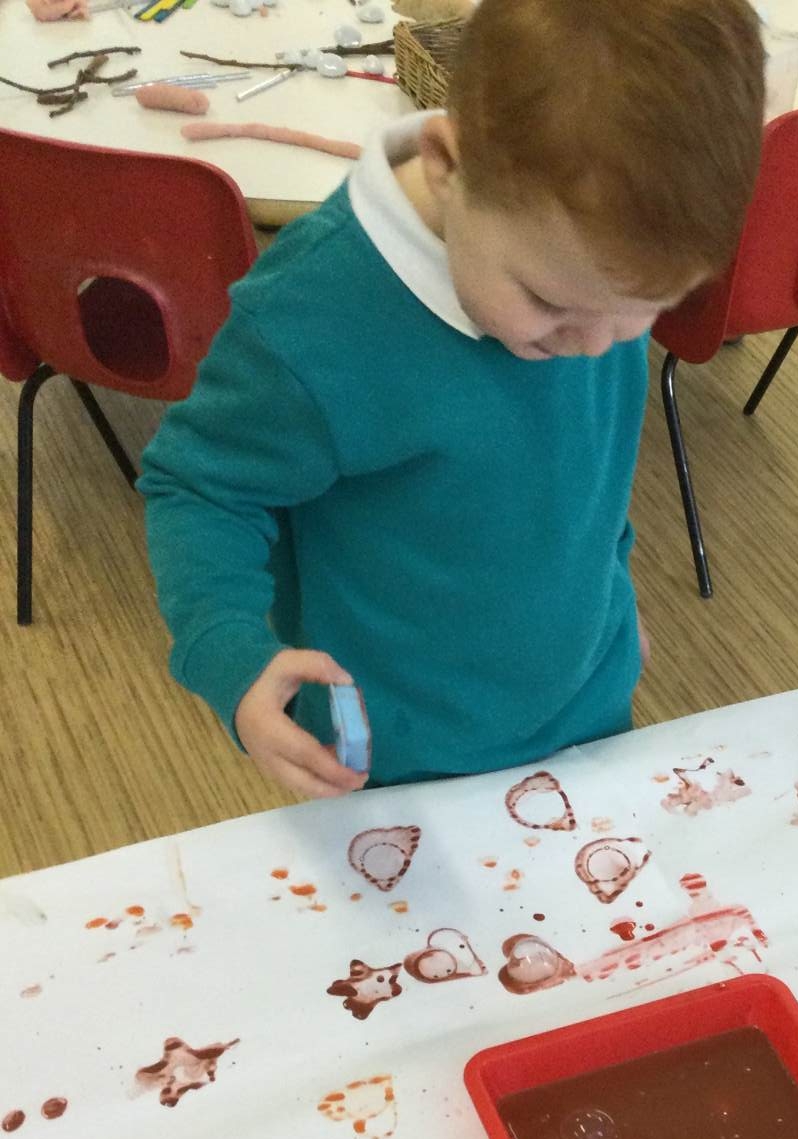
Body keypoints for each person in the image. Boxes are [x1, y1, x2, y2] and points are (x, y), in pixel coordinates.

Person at [141, 0, 764, 798]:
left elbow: (583, 458)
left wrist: (607, 592)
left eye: (646, 311)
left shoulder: (590, 277)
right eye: (549, 304)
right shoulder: (309, 321)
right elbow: (201, 488)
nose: (598, 343)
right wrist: (230, 653)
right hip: (404, 757)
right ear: (444, 162)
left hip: (586, 706)